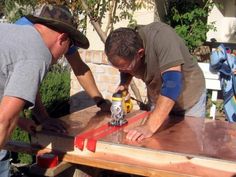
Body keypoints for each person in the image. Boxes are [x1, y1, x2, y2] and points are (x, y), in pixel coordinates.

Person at [0, 4, 109, 176]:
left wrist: (21, 121)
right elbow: (3, 122)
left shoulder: (10, 33)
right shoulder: (37, 51)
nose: (60, 59)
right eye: (68, 47)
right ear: (62, 39)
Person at [105, 22, 206, 142]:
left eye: (124, 68)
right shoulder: (128, 45)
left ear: (140, 53)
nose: (122, 71)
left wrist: (149, 126)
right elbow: (125, 67)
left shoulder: (162, 37)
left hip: (189, 100)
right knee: (154, 143)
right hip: (159, 99)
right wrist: (124, 84)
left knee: (187, 147)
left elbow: (172, 84)